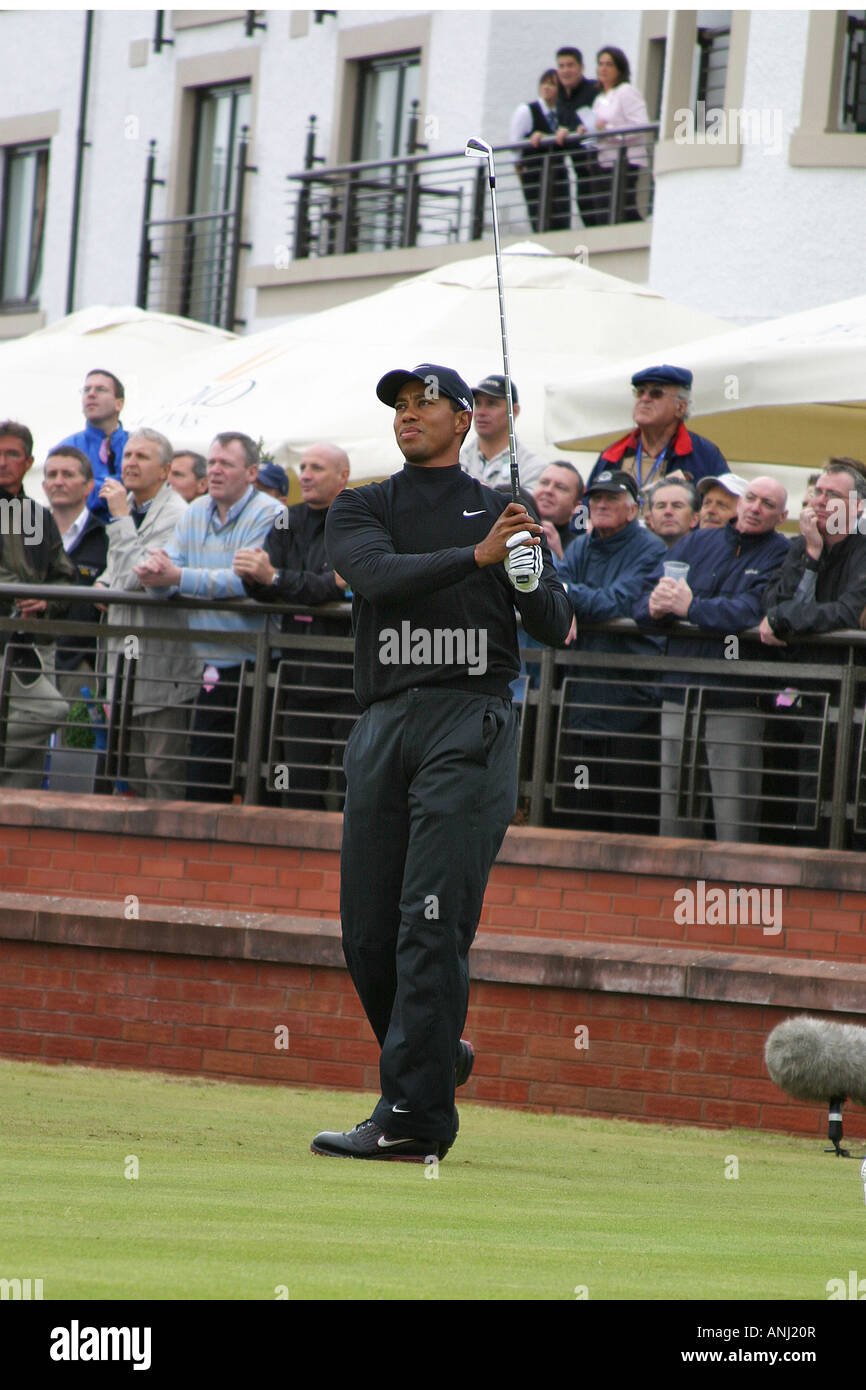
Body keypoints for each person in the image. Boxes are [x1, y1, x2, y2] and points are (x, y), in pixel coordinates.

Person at [314, 362, 571, 1161]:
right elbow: (378, 579)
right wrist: (479, 556)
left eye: (427, 403)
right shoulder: (363, 505)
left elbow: (556, 624)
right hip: (386, 720)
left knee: (430, 925)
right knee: (366, 935)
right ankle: (432, 1051)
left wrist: (527, 572)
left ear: (466, 420)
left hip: (472, 719)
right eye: (399, 404)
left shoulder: (504, 511)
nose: (409, 414)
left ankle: (416, 1120)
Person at [635, 476, 790, 842]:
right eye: (750, 498)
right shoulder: (699, 540)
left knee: (733, 817)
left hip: (735, 699)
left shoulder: (782, 552)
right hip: (678, 690)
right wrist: (653, 608)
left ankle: (736, 895)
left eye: (767, 504)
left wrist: (692, 607)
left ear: (782, 516)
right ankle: (669, 894)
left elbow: (752, 610)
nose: (755, 508)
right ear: (740, 502)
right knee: (673, 814)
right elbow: (646, 595)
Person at [134, 432, 283, 802]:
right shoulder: (196, 509)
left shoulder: (272, 513)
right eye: (212, 462)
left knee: (257, 780)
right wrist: (155, 576)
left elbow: (245, 581)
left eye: (225, 464)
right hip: (205, 667)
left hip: (258, 664)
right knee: (203, 779)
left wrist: (177, 577)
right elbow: (169, 572)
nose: (214, 470)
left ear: (250, 472)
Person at [236, 442, 356, 807]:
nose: (304, 474)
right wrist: (264, 578)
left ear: (342, 476)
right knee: (297, 791)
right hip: (297, 672)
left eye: (316, 467)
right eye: (302, 466)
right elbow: (263, 588)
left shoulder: (359, 518)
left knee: (354, 788)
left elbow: (337, 586)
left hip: (348, 678)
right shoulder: (287, 519)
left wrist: (276, 578)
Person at [760, 462, 866, 841]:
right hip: (796, 695)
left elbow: (846, 613)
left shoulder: (862, 551)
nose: (820, 501)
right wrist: (811, 554)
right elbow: (771, 602)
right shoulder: (801, 544)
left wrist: (786, 620)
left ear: (858, 508)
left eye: (832, 495)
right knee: (787, 803)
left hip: (847, 700)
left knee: (832, 806)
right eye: (817, 492)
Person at [555, 468, 666, 829]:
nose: (601, 504)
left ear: (633, 508)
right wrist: (563, 601)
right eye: (596, 498)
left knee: (627, 821)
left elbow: (612, 602)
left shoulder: (650, 548)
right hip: (582, 703)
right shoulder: (581, 545)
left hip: (630, 708)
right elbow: (552, 584)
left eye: (611, 498)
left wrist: (569, 599)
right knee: (576, 815)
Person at [94, 430, 199, 799]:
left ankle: (169, 858)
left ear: (166, 469)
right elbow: (114, 574)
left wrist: (120, 516)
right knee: (132, 775)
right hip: (123, 668)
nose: (130, 463)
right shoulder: (131, 510)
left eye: (142, 456)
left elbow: (133, 576)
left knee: (161, 777)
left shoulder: (177, 515)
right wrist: (102, 583)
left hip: (162, 674)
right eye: (127, 456)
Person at [0, 421, 75, 786]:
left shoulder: (37, 515)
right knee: (52, 709)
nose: (3, 462)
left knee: (25, 778)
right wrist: (23, 593)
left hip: (31, 645)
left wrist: (45, 600)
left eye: (12, 454)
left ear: (28, 462)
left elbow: (65, 577)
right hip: (7, 640)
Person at [585, 365, 728, 498]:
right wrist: (582, 525)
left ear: (680, 407)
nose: (645, 399)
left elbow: (725, 506)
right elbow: (584, 506)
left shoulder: (704, 455)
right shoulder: (612, 455)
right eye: (640, 392)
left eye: (656, 393)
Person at [43, 445, 108, 706]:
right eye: (52, 474)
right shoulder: (25, 535)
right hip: (30, 660)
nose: (58, 481)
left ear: (88, 485)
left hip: (82, 665)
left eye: (67, 475)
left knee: (77, 744)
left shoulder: (107, 538)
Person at [55, 370, 128, 524]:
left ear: (119, 403)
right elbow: (67, 496)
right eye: (86, 390)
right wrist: (120, 485)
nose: (91, 394)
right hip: (84, 537)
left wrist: (91, 486)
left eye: (100, 389)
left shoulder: (137, 445)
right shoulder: (66, 449)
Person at [590, 47, 651, 223]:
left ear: (619, 69)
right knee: (603, 209)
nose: (603, 69)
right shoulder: (599, 98)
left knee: (621, 208)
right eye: (601, 64)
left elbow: (640, 125)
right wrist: (586, 131)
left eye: (609, 64)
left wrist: (607, 129)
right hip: (604, 161)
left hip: (625, 160)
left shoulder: (626, 91)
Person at [459, 374, 548, 491]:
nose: (481, 412)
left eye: (491, 404)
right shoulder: (458, 461)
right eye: (478, 403)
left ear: (514, 411)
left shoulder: (533, 468)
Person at [510, 69, 571, 232]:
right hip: (535, 171)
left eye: (552, 84)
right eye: (544, 83)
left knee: (561, 215)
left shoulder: (562, 113)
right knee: (539, 214)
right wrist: (520, 171)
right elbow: (515, 145)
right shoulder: (527, 110)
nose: (546, 87)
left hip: (557, 173)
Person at [553, 45, 602, 227]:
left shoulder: (593, 90)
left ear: (581, 68)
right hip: (579, 169)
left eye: (570, 65)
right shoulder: (561, 98)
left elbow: (597, 121)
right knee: (585, 209)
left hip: (596, 166)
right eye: (561, 66)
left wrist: (573, 129)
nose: (565, 70)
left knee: (598, 212)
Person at [533, 459, 585, 560]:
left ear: (575, 506)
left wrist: (560, 556)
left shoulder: (581, 549)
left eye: (560, 488)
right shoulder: (512, 526)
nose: (548, 490)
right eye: (544, 483)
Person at [645, 478, 700, 549]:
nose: (668, 512)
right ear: (650, 519)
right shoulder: (637, 556)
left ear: (694, 519)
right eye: (661, 506)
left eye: (677, 506)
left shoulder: (707, 556)